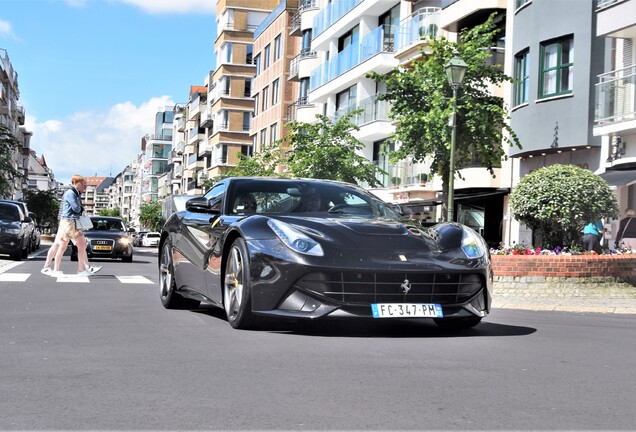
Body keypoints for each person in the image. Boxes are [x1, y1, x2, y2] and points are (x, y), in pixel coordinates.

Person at [51, 175, 102, 277]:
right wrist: (81, 209)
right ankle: (78, 270)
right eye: (83, 184)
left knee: (67, 246)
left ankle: (61, 270)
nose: (84, 186)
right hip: (70, 222)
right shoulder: (71, 193)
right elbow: (76, 208)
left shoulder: (74, 193)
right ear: (75, 182)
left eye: (85, 185)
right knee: (76, 245)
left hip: (70, 222)